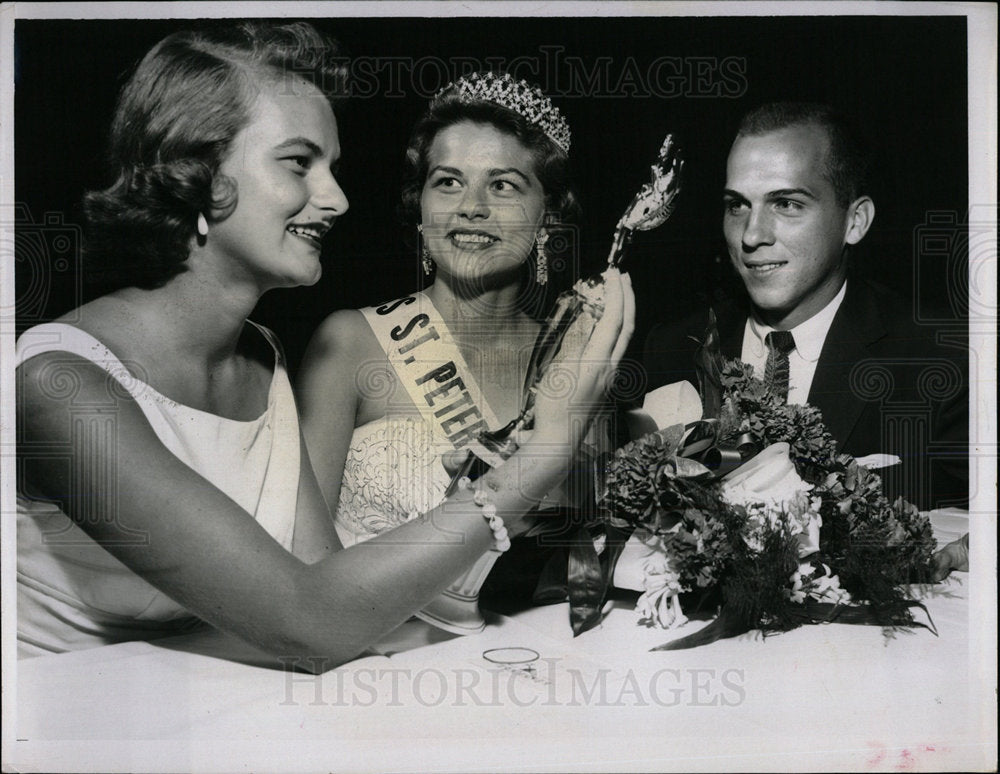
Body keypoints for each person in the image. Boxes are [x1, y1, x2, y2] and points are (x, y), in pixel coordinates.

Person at [15, 24, 634, 666]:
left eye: (332, 168)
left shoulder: (262, 360)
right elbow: (310, 622)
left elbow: (335, 593)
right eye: (297, 163)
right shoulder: (57, 385)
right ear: (192, 171)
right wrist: (542, 457)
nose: (337, 199)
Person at [298, 71, 585, 561]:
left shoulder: (572, 357)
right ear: (421, 205)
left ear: (548, 214)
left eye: (503, 185)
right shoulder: (348, 344)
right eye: (448, 182)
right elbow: (300, 570)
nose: (471, 207)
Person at [643, 102, 968, 514]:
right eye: (737, 205)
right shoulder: (671, 348)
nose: (752, 235)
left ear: (855, 221)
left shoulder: (941, 357)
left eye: (787, 204)